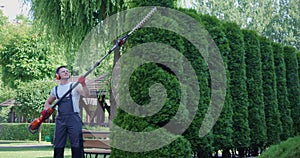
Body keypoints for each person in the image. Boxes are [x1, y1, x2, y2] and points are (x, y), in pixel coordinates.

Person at [44, 66, 89, 158]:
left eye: (67, 71)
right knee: (58, 145)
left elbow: (87, 94)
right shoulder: (55, 90)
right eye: (63, 71)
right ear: (58, 76)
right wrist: (46, 110)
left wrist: (83, 84)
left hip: (74, 119)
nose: (66, 72)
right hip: (60, 119)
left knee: (77, 144)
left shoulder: (75, 86)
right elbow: (48, 102)